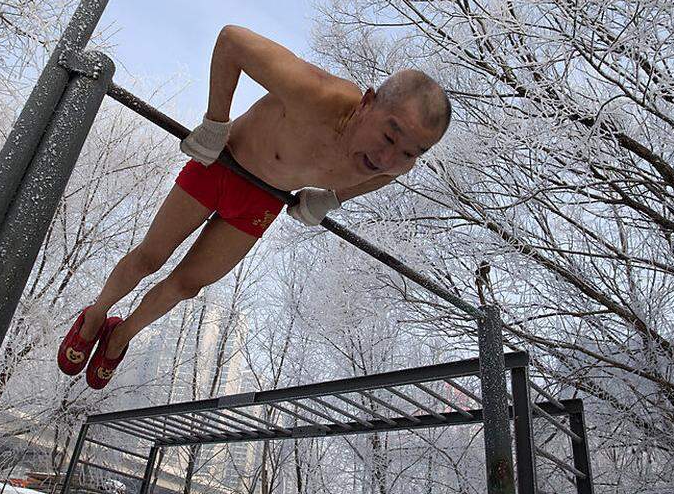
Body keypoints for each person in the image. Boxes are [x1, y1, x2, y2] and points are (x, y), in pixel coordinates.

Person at [57, 25, 451, 389]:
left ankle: (121, 335)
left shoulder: (396, 162)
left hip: (262, 201)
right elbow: (232, 41)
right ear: (367, 103)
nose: (387, 158)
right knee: (150, 258)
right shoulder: (315, 95)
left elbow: (389, 173)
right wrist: (215, 122)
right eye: (388, 135)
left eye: (409, 152)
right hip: (222, 163)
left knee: (188, 284)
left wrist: (332, 198)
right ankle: (95, 316)